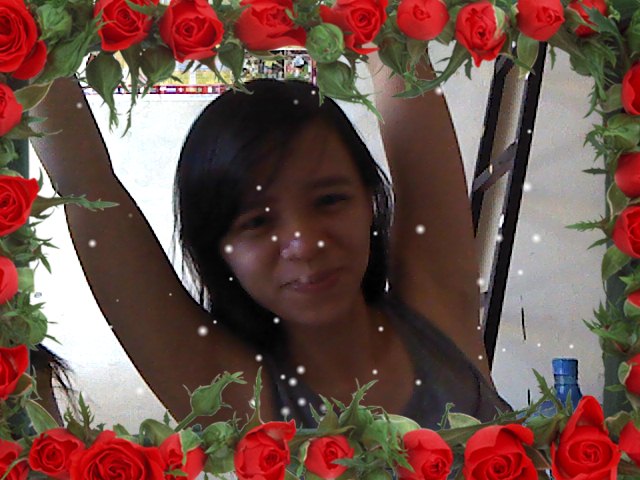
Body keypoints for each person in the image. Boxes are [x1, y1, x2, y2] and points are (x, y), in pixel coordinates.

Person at [30, 56, 509, 427]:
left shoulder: (435, 310)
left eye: (329, 200)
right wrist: (28, 41)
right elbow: (86, 185)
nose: (304, 243)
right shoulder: (235, 395)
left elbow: (396, 49)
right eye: (256, 223)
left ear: (369, 202)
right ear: (218, 249)